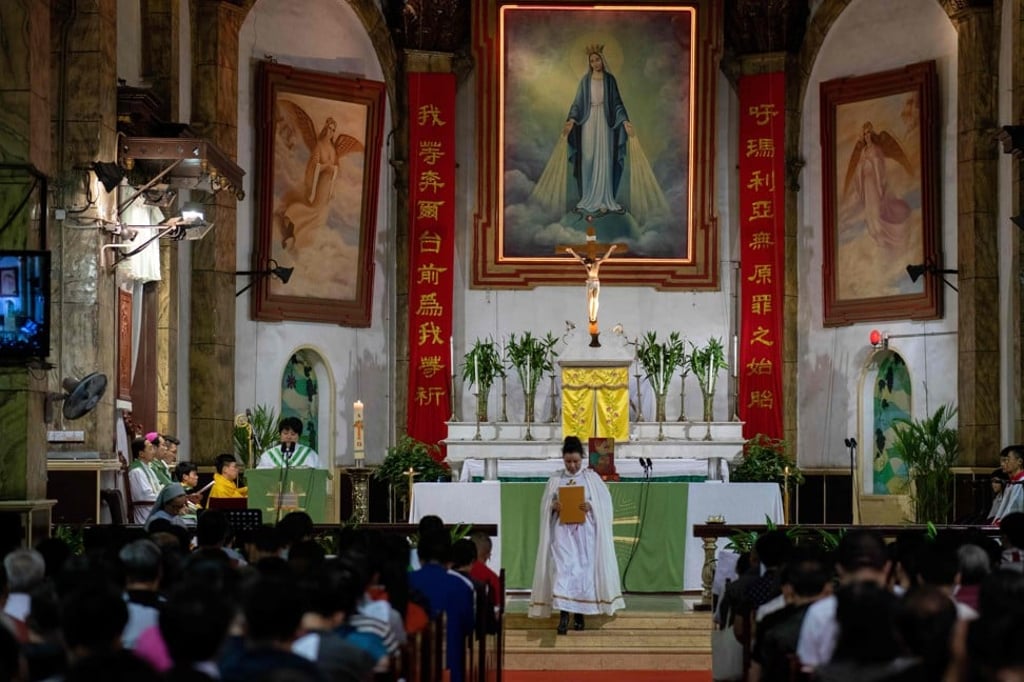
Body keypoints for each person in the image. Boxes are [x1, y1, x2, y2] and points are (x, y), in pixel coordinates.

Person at [528, 435, 624, 634]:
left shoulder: (591, 478)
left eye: (576, 461)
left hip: (584, 535)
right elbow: (545, 506)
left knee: (582, 573)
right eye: (568, 462)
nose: (572, 466)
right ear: (563, 459)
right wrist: (553, 506)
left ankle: (579, 614)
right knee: (562, 571)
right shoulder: (556, 479)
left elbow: (605, 505)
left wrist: (591, 505)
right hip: (562, 534)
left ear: (582, 458)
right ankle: (564, 616)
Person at [565, 241, 617, 328]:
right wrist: (571, 251)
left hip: (596, 282)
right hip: (589, 283)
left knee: (595, 299)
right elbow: (579, 259)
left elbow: (605, 258)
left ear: (591, 263)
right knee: (590, 300)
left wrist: (610, 250)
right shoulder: (586, 265)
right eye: (587, 266)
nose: (588, 267)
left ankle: (594, 316)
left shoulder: (596, 264)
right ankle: (591, 317)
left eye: (589, 266)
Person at [257, 417, 323, 469]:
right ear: (280, 435)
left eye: (293, 434)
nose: (289, 437)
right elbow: (261, 476)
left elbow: (319, 474)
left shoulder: (309, 454)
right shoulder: (269, 455)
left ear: (298, 436)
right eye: (285, 433)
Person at [127, 436, 162, 524]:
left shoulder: (148, 468)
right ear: (141, 454)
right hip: (146, 514)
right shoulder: (137, 471)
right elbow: (145, 496)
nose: (153, 451)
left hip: (154, 509)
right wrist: (166, 498)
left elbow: (157, 488)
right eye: (150, 449)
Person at [992, 445, 1024, 525]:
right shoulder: (1011, 482)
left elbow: (1016, 508)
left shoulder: (1021, 482)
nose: (1004, 464)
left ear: (1019, 461)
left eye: (1007, 460)